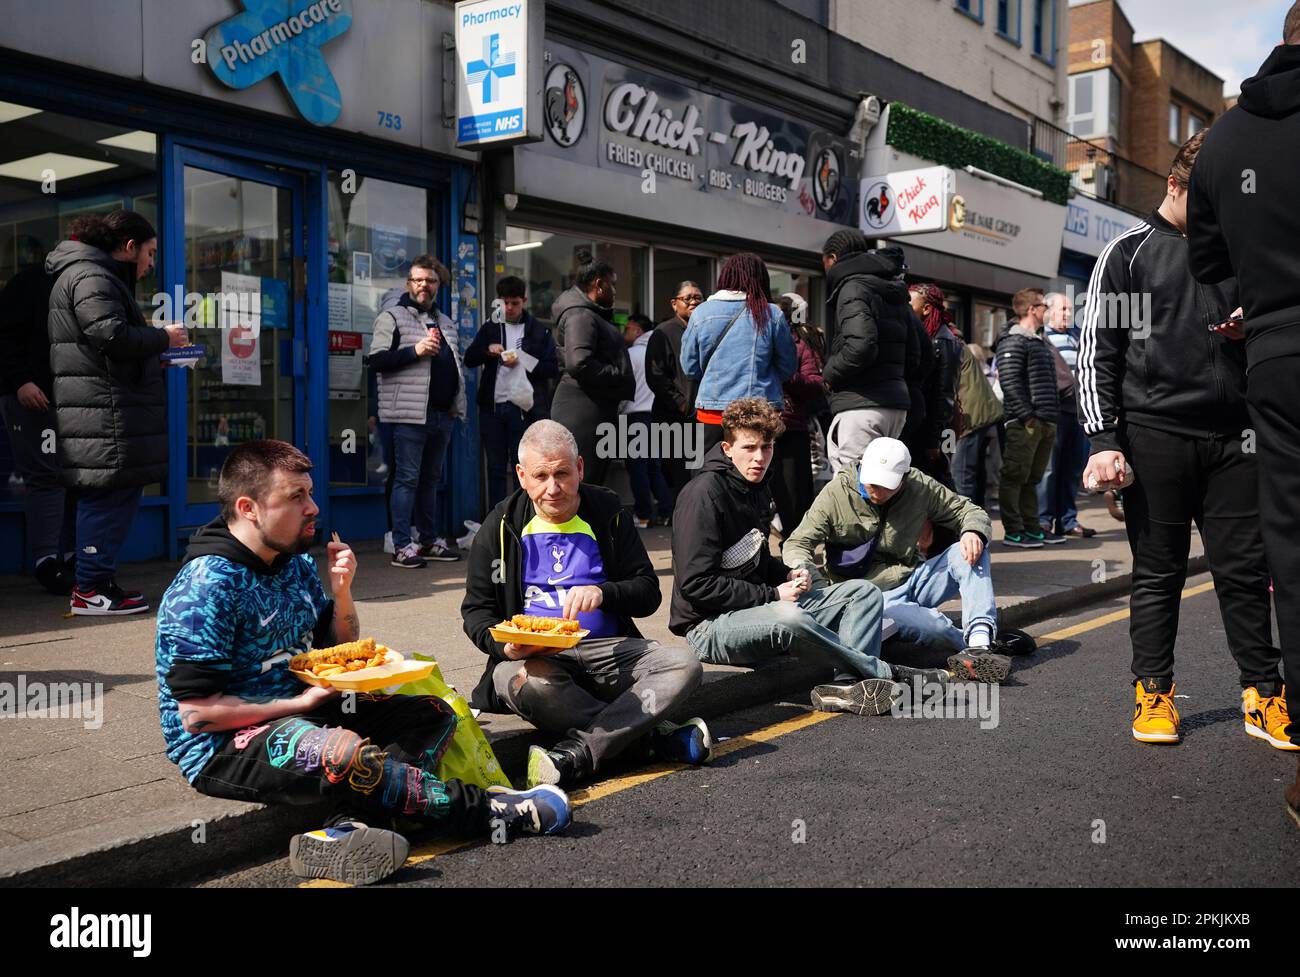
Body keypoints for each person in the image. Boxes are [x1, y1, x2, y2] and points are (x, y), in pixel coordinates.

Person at [156, 440, 570, 886]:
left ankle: (347, 826)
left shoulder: (290, 561)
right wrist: (299, 706)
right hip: (225, 744)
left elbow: (333, 647)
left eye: (310, 493)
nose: (313, 507)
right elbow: (198, 714)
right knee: (342, 750)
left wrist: (342, 592)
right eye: (296, 497)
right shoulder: (206, 586)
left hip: (305, 707)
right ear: (248, 507)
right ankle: (489, 810)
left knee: (430, 712)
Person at [1080, 129, 1290, 752]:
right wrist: (1102, 441)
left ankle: (1264, 694)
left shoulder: (1239, 252)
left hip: (1236, 438)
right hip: (1155, 435)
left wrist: (1251, 328)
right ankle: (1154, 693)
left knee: (1245, 574)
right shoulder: (1128, 255)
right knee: (1157, 573)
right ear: (1175, 186)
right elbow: (1100, 354)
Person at [461, 420, 710, 789]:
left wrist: (605, 592)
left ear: (579, 468)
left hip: (607, 652)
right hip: (536, 660)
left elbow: (647, 591)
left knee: (684, 664)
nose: (552, 488)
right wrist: (504, 645)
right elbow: (476, 611)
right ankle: (647, 740)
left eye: (562, 473)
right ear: (522, 476)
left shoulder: (606, 510)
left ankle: (581, 749)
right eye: (540, 476)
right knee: (526, 684)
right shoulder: (500, 525)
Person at [1187, 10, 1300, 823]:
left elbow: (1206, 259)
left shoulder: (1223, 141)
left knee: (1289, 549)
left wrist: (1254, 301)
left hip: (1279, 357)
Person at [669, 397, 949, 717]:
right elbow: (696, 585)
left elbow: (752, 558)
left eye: (767, 447)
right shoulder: (703, 495)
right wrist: (773, 594)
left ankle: (846, 688)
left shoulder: (755, 485)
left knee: (863, 594)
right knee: (790, 617)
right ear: (727, 448)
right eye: (749, 448)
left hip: (753, 608)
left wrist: (784, 575)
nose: (759, 458)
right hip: (708, 627)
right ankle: (885, 673)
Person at [784, 437, 1032, 681]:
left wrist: (973, 531)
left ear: (903, 479)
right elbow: (797, 543)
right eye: (871, 482)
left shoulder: (919, 486)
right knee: (935, 627)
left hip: (912, 579)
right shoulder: (836, 493)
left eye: (885, 485)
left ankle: (979, 642)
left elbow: (969, 511)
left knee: (969, 548)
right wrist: (809, 577)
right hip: (869, 598)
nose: (876, 490)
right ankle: (984, 644)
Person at [47, 210, 188, 615]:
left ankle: (96, 581)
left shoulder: (90, 273)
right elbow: (109, 335)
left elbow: (104, 347)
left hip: (102, 407)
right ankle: (90, 589)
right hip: (103, 413)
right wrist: (163, 337)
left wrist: (152, 356)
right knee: (106, 496)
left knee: (106, 495)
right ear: (129, 247)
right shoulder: (92, 276)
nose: (151, 263)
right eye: (150, 252)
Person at [369, 254, 464, 569]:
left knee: (430, 481)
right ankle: (401, 546)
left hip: (440, 415)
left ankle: (428, 540)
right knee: (407, 479)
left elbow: (454, 368)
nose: (424, 285)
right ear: (409, 283)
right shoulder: (392, 317)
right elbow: (377, 361)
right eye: (418, 280)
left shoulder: (446, 321)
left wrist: (454, 404)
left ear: (438, 285)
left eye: (430, 281)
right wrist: (415, 351)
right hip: (409, 415)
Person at [0, 261, 75, 595]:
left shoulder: (83, 282)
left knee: (74, 477)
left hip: (67, 398)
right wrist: (21, 381)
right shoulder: (31, 282)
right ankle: (47, 561)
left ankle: (70, 557)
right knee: (47, 476)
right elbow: (4, 336)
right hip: (36, 398)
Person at [680, 253, 795, 460]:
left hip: (712, 413)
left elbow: (690, 368)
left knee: (708, 474)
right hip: (759, 412)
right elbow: (788, 367)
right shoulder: (771, 314)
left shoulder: (701, 313)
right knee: (756, 475)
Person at [820, 230, 912, 474]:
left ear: (832, 258)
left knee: (852, 488)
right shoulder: (893, 289)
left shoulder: (852, 287)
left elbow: (861, 345)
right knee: (884, 487)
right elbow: (918, 352)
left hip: (861, 407)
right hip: (895, 407)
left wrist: (829, 375)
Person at [464, 275, 559, 511]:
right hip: (493, 407)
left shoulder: (538, 330)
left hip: (525, 409)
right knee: (495, 467)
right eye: (504, 303)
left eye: (514, 303)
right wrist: (488, 351)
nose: (509, 308)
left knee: (524, 466)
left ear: (524, 300)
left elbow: (551, 368)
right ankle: (498, 520)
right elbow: (470, 358)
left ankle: (523, 517)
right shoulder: (491, 327)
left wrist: (522, 359)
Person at [550, 251, 635, 487]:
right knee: (583, 483)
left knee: (589, 484)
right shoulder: (581, 315)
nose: (615, 291)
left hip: (591, 408)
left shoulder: (588, 314)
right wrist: (618, 375)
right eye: (613, 285)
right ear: (599, 285)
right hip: (583, 411)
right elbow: (578, 362)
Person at [995, 288, 1060, 548]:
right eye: (1044, 305)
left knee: (1032, 478)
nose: (1048, 310)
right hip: (1025, 422)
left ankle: (1031, 528)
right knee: (1014, 476)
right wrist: (1027, 416)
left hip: (1044, 419)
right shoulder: (1014, 340)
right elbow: (1009, 382)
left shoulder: (1038, 340)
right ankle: (1014, 531)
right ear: (1032, 309)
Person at [1037, 292, 1095, 540]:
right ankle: (1043, 521)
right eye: (1063, 309)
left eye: (1070, 309)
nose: (1068, 314)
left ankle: (1067, 520)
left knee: (1072, 469)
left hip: (1078, 412)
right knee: (1049, 470)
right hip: (1055, 411)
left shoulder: (1076, 337)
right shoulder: (1041, 339)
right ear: (1048, 311)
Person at [771, 292, 824, 541]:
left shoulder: (800, 343)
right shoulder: (757, 340)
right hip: (760, 429)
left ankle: (796, 553)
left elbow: (815, 382)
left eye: (780, 315)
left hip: (791, 428)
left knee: (795, 500)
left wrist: (788, 374)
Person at [646, 280, 704, 493]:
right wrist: (681, 404)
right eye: (687, 298)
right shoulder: (664, 332)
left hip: (702, 418)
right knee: (681, 479)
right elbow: (656, 376)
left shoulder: (707, 330)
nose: (693, 302)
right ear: (674, 304)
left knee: (701, 477)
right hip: (674, 419)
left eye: (698, 297)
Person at [619, 313, 674, 527]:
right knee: (654, 467)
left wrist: (618, 412)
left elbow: (624, 391)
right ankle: (666, 511)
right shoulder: (659, 352)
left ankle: (643, 515)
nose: (625, 333)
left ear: (636, 329)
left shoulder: (631, 355)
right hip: (656, 417)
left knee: (637, 469)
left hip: (635, 417)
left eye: (627, 328)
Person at [907, 283, 963, 489]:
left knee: (940, 478)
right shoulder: (931, 338)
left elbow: (944, 394)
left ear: (927, 309)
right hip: (929, 425)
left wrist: (933, 440)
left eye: (909, 303)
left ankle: (954, 520)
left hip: (936, 428)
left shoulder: (943, 341)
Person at [951, 342, 1004, 508]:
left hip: (968, 419)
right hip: (976, 417)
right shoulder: (955, 343)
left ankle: (968, 527)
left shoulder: (947, 342)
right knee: (973, 471)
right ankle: (978, 521)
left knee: (961, 473)